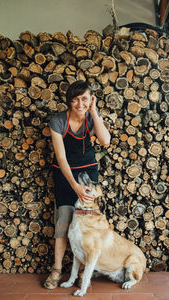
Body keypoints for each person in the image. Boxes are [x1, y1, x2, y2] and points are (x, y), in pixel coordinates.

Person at [43, 80, 111, 289]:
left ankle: (82, 270)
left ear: (91, 99)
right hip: (65, 175)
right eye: (75, 100)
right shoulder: (57, 122)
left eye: (84, 99)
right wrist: (74, 186)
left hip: (88, 171)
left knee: (87, 223)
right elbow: (62, 159)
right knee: (64, 219)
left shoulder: (91, 116)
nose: (79, 104)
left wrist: (95, 110)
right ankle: (56, 270)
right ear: (69, 102)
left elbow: (105, 140)